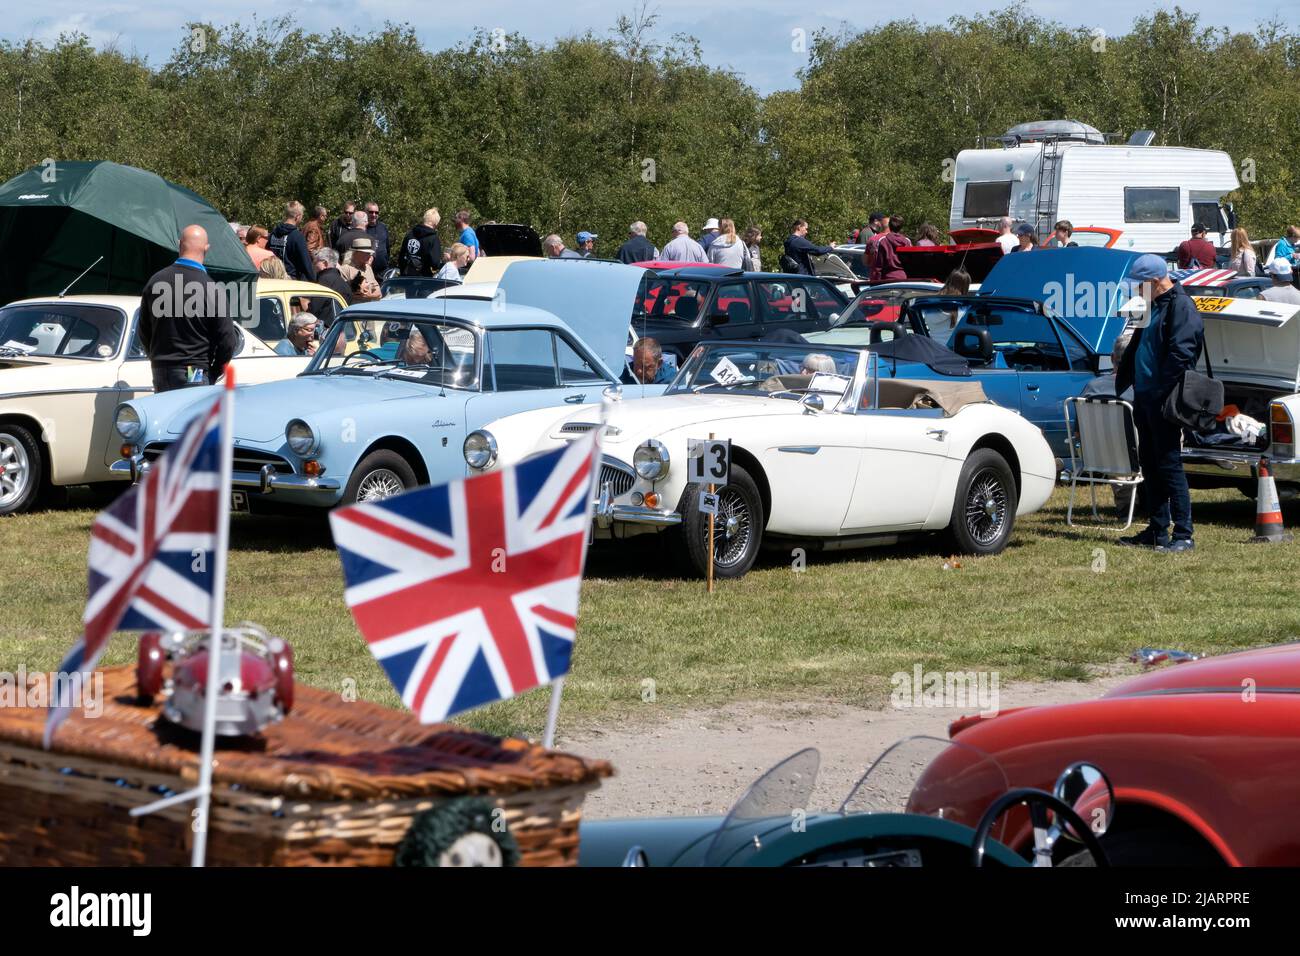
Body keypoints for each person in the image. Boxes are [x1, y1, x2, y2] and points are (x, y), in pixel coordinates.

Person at [1115, 254, 1202, 553]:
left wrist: (1162, 389)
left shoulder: (1182, 306)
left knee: (1169, 464)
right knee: (1150, 465)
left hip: (1164, 398)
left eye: (1139, 286)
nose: (1135, 291)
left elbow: (1182, 353)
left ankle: (1183, 534)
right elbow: (1136, 343)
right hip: (1145, 396)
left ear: (1154, 282)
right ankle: (1157, 530)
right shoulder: (1149, 305)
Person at [139, 225, 237, 394]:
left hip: (162, 370)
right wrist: (213, 372)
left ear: (179, 244)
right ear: (207, 248)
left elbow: (144, 330)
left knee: (165, 418)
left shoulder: (155, 281)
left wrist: (156, 358)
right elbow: (227, 341)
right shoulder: (211, 288)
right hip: (194, 371)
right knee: (192, 419)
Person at [1078, 330, 1137, 519]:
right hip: (1133, 453)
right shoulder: (1137, 389)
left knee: (1116, 445)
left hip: (1097, 455)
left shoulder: (1091, 388)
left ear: (1112, 358)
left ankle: (1126, 503)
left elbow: (1078, 432)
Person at [267, 201, 315, 281]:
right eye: (302, 216)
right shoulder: (297, 236)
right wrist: (313, 279)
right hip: (290, 279)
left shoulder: (273, 234)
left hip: (272, 278)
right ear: (297, 216)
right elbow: (306, 262)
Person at [398, 208, 444, 276]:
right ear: (436, 223)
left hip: (406, 276)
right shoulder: (433, 239)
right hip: (423, 279)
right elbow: (435, 263)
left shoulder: (410, 234)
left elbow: (401, 257)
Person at [339, 236, 382, 302]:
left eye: (370, 253)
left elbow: (379, 293)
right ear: (356, 253)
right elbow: (344, 294)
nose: (370, 256)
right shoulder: (345, 269)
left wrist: (366, 295)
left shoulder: (368, 268)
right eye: (366, 253)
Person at [870, 216, 911, 281]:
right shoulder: (907, 242)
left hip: (888, 280)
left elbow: (879, 266)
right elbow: (910, 264)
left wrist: (876, 282)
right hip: (903, 279)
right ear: (901, 227)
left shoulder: (883, 241)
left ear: (889, 225)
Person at [364, 200, 391, 274]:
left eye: (376, 212)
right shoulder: (362, 229)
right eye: (371, 212)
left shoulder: (383, 227)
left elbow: (387, 247)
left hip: (383, 271)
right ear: (365, 212)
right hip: (367, 271)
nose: (374, 214)